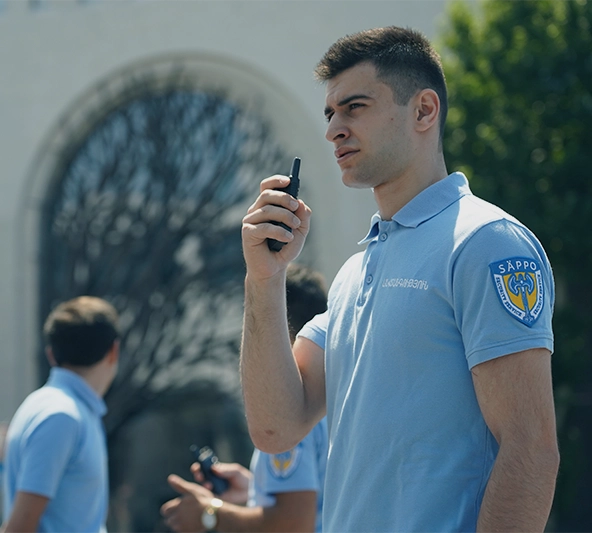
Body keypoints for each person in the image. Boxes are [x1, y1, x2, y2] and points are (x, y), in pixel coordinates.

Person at [239, 26, 559, 533]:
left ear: (424, 111)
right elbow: (276, 427)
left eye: (355, 107)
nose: (333, 129)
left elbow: (531, 449)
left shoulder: (486, 243)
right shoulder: (353, 272)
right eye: (330, 113)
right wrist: (264, 278)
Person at [161, 263, 328, 533]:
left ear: (273, 326)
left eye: (253, 323)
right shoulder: (330, 392)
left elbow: (293, 525)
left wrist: (210, 514)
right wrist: (254, 489)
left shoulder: (284, 406)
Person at [1, 296, 120, 533]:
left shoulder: (59, 408)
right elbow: (19, 527)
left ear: (51, 354)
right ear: (113, 351)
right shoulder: (62, 417)